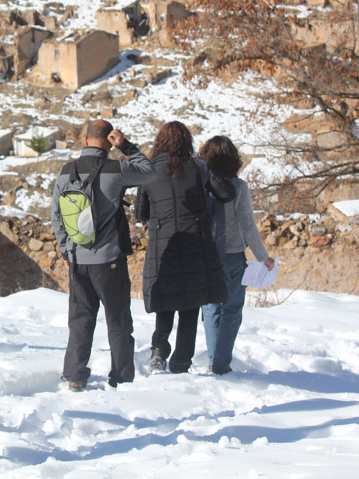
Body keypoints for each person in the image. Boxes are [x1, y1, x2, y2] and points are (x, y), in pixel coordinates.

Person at [50, 119, 156, 391]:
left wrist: (65, 249)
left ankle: (75, 375)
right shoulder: (116, 169)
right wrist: (126, 146)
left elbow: (56, 217)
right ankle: (120, 377)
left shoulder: (65, 172)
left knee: (80, 319)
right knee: (118, 319)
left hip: (77, 261)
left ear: (85, 140)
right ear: (109, 141)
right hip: (108, 260)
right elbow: (149, 172)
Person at [135, 121, 235, 374]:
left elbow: (140, 213)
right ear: (187, 141)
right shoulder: (198, 167)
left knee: (165, 300)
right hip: (196, 243)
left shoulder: (148, 171)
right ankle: (181, 362)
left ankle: (158, 351)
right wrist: (206, 163)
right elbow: (226, 193)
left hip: (164, 244)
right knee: (190, 305)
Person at [198, 136, 274, 375]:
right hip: (232, 255)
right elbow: (248, 225)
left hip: (206, 254)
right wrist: (264, 257)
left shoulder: (200, 183)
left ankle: (214, 360)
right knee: (231, 309)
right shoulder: (239, 186)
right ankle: (221, 363)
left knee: (210, 308)